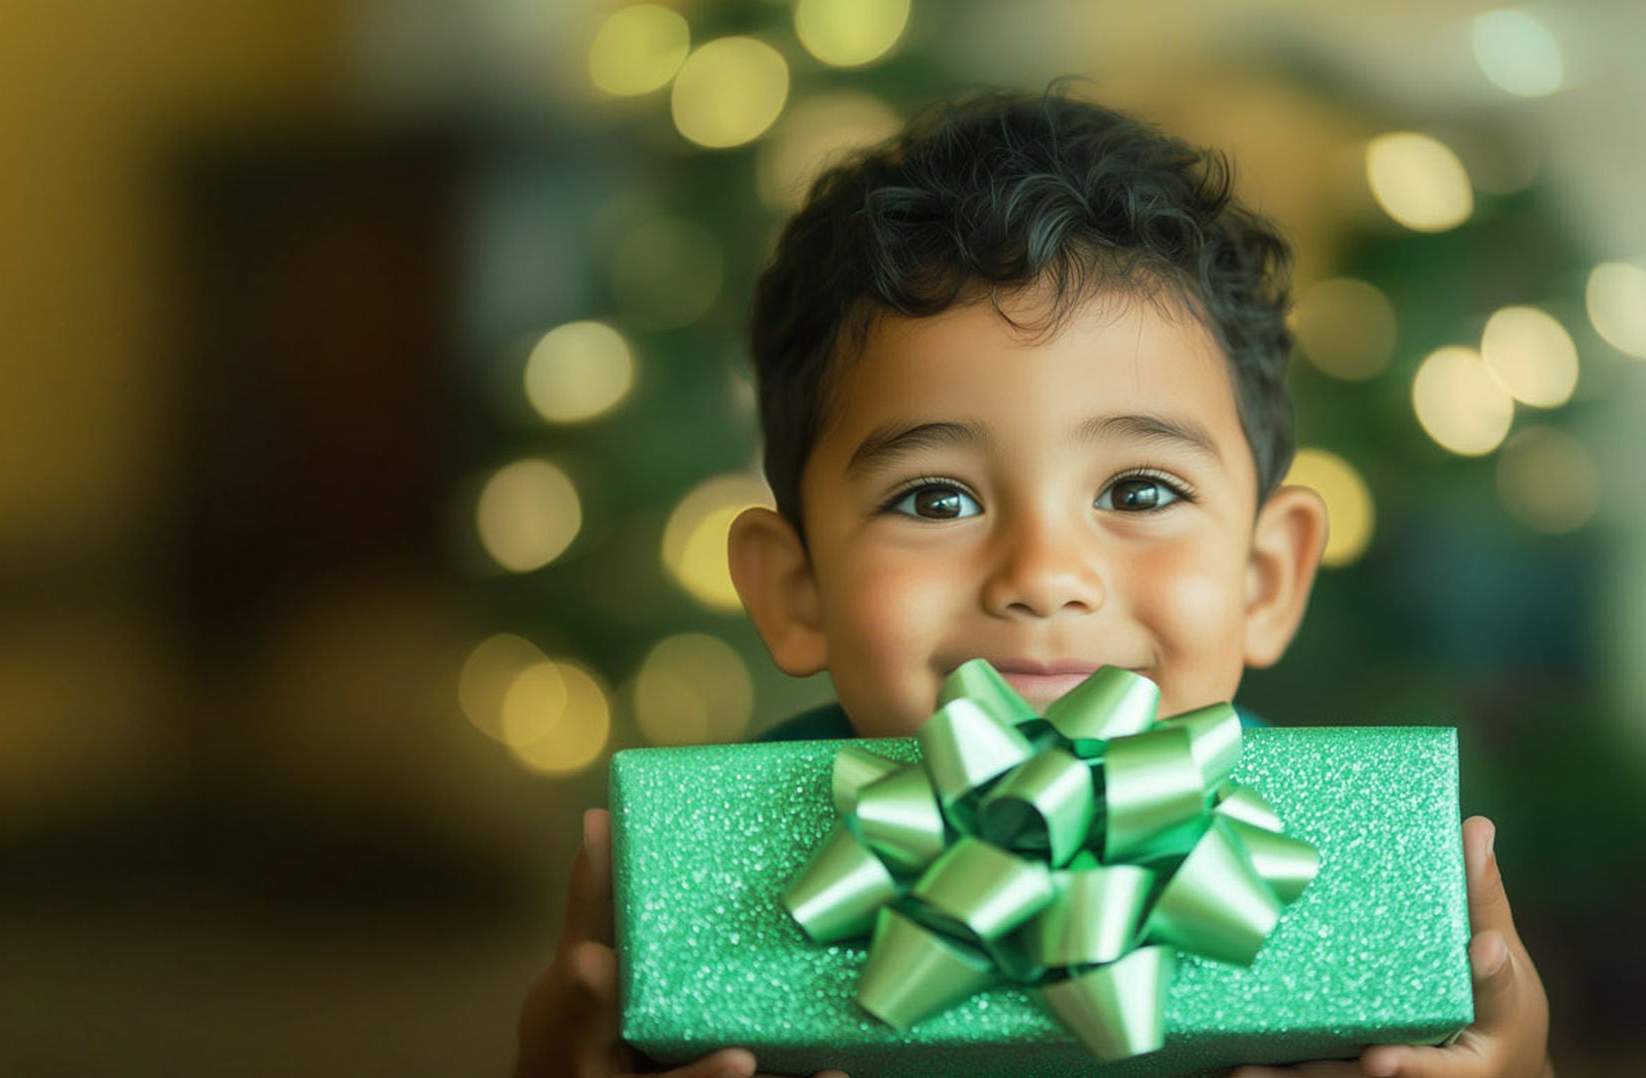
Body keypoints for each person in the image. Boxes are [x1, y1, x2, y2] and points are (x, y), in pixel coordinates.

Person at [513, 88, 1553, 1078]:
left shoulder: (1334, 869)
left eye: (1140, 489)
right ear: (795, 591)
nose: (1043, 577)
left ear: (1262, 577)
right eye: (933, 499)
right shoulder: (716, 880)